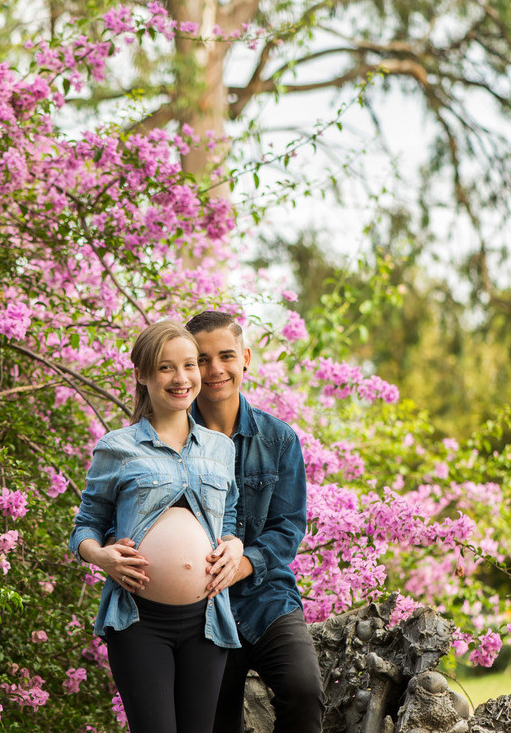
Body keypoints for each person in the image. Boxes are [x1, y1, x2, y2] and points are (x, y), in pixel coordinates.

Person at [70, 320, 245, 733]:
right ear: (142, 374)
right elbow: (86, 526)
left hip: (208, 620)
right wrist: (102, 556)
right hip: (138, 622)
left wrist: (235, 546)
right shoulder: (118, 446)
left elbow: (230, 518)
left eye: (189, 365)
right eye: (166, 368)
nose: (182, 378)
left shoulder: (222, 449)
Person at [185, 310, 326, 733]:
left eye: (225, 356)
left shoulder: (279, 440)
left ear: (245, 358)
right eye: (201, 359)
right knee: (214, 720)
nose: (214, 370)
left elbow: (288, 527)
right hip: (197, 609)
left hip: (267, 599)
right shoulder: (168, 440)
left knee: (304, 692)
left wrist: (242, 562)